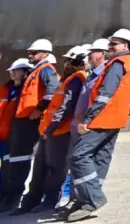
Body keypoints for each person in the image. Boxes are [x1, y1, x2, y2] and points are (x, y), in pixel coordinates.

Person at [60, 30, 130, 222]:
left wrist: (88, 119)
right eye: (110, 43)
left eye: (115, 44)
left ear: (126, 46)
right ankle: (85, 199)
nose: (111, 46)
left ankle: (92, 198)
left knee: (78, 156)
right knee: (101, 158)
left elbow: (105, 94)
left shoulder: (117, 64)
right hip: (115, 119)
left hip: (103, 118)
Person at [19, 45, 91, 214]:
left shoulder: (76, 79)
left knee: (55, 168)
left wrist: (52, 127)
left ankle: (50, 200)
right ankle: (34, 200)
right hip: (51, 129)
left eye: (69, 61)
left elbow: (66, 107)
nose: (65, 63)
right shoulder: (69, 79)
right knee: (41, 167)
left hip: (59, 131)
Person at [0, 39, 60, 214]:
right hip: (20, 122)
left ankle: (13, 200)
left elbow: (52, 90)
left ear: (45, 53)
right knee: (12, 160)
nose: (31, 55)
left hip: (29, 122)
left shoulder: (46, 70)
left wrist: (39, 109)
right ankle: (9, 199)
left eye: (34, 53)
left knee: (19, 160)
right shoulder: (36, 71)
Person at [0, 58, 30, 194]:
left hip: (12, 137)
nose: (12, 73)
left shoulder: (25, 93)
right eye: (12, 70)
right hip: (2, 136)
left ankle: (6, 195)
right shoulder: (4, 90)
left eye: (16, 70)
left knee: (8, 169)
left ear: (25, 72)